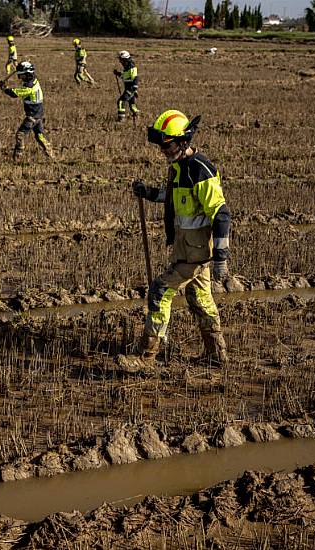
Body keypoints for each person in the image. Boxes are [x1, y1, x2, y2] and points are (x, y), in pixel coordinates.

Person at [118, 109, 231, 373]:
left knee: (160, 291)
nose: (162, 150)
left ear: (182, 141)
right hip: (187, 250)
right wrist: (146, 193)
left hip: (196, 254)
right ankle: (217, 355)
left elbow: (222, 215)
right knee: (200, 299)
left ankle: (146, 358)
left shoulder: (200, 170)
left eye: (166, 145)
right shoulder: (179, 169)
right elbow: (171, 198)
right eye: (160, 145)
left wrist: (221, 259)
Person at [0, 61, 54, 161]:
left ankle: (18, 157)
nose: (20, 78)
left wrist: (4, 88)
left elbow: (15, 93)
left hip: (32, 116)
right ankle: (51, 155)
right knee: (40, 136)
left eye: (22, 75)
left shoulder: (30, 87)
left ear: (28, 74)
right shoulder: (34, 81)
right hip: (38, 114)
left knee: (20, 134)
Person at [113, 50, 139, 121]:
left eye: (121, 60)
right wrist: (118, 73)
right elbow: (125, 76)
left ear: (125, 59)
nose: (120, 61)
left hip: (130, 89)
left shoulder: (131, 67)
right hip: (129, 88)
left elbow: (135, 78)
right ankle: (136, 116)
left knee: (121, 102)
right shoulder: (127, 67)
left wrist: (134, 89)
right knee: (132, 104)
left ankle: (121, 119)